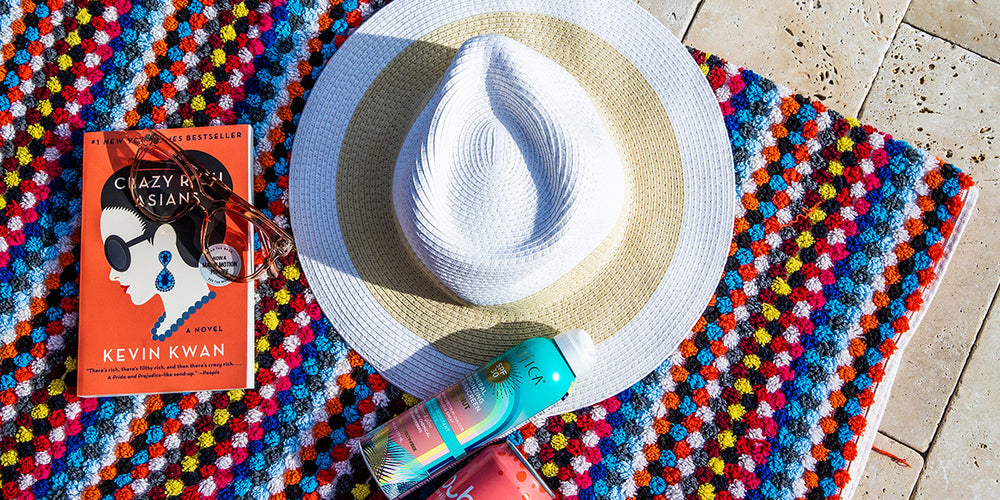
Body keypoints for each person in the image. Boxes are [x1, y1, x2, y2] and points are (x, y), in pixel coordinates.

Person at [99, 152, 233, 341]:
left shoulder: (222, 323)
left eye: (117, 254)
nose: (113, 274)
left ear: (165, 239)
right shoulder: (165, 322)